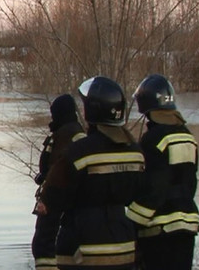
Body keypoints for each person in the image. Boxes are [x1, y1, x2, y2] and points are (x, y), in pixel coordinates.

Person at [41, 76, 144, 270]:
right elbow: (143, 201)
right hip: (124, 252)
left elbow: (50, 204)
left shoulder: (77, 152)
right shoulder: (136, 153)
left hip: (80, 254)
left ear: (92, 110)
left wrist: (43, 256)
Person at [126, 74, 199, 270]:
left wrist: (130, 221)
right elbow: (190, 183)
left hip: (160, 231)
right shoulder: (187, 136)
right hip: (187, 225)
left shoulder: (153, 139)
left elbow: (154, 188)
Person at [32, 94, 86, 270]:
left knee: (44, 244)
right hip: (65, 199)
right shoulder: (68, 132)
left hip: (56, 198)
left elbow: (61, 169)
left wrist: (46, 198)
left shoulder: (69, 135)